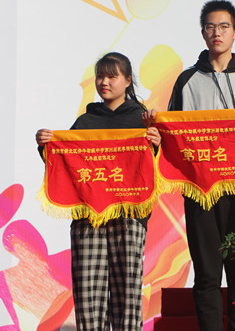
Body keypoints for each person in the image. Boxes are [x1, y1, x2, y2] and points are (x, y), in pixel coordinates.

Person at [35, 52, 161, 331]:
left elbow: (159, 169)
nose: (104, 82)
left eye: (112, 76)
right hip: (88, 218)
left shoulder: (142, 120)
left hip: (129, 217)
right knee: (88, 295)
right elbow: (64, 163)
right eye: (100, 76)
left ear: (127, 81)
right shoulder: (85, 121)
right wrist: (45, 146)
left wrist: (156, 145)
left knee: (127, 295)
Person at [166, 0, 235, 331]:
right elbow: (172, 134)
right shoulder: (187, 80)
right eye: (210, 27)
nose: (217, 33)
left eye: (224, 26)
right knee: (207, 275)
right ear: (203, 33)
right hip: (200, 193)